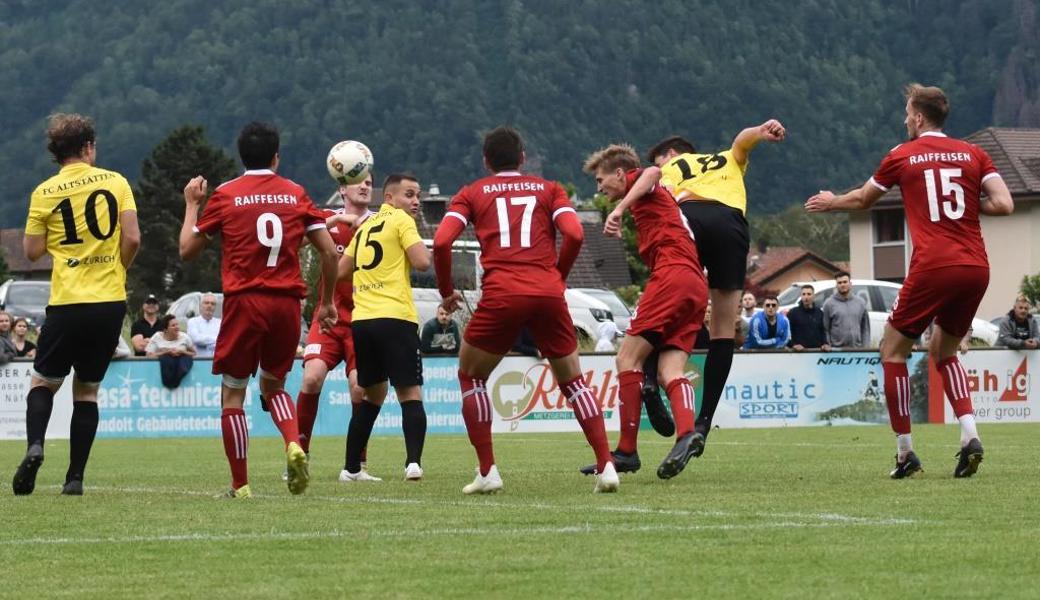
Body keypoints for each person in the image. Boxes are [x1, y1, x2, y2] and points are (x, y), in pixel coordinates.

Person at [806, 83, 1014, 478]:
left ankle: (906, 454)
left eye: (907, 113)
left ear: (919, 117)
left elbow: (864, 199)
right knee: (944, 352)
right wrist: (967, 207)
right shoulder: (975, 154)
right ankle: (970, 434)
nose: (905, 119)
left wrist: (831, 201)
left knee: (892, 350)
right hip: (974, 266)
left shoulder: (902, 156)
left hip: (933, 264)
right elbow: (1003, 204)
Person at [434, 126, 617, 494]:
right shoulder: (549, 189)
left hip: (502, 293)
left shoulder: (471, 193)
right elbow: (576, 234)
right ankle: (606, 465)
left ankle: (488, 472)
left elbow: (441, 242)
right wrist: (557, 277)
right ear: (522, 158)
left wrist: (447, 292)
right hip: (547, 292)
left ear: (486, 161)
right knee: (574, 381)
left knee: (472, 377)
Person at [179, 121, 339, 498]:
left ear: (241, 155)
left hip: (244, 302)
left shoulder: (227, 195)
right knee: (274, 385)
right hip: (287, 303)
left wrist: (191, 205)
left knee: (233, 393)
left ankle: (241, 485)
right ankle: (293, 443)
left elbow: (186, 250)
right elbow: (330, 252)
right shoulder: (295, 193)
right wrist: (327, 301)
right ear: (276, 157)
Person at [632, 121, 786, 452]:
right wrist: (761, 130)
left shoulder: (671, 166)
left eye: (657, 159)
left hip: (690, 217)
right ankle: (703, 423)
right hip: (731, 224)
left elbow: (657, 191)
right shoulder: (725, 159)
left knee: (665, 297)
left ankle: (647, 381)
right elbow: (741, 141)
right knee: (722, 331)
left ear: (670, 154)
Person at [12, 113, 140, 496]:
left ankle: (35, 445)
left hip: (67, 302)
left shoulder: (44, 192)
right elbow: (132, 237)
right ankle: (75, 478)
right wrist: (117, 266)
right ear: (87, 147)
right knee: (86, 391)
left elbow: (32, 252)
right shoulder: (116, 182)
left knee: (43, 383)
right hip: (108, 302)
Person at [583, 142, 708, 480]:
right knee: (672, 370)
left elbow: (653, 171)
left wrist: (620, 208)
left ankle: (626, 450)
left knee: (627, 359)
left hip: (672, 276)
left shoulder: (644, 182)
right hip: (694, 283)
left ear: (621, 174)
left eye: (600, 180)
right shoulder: (649, 202)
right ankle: (686, 434)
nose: (599, 188)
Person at [338, 173, 431, 483]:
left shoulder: (364, 228)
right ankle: (413, 463)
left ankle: (351, 468)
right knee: (409, 390)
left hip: (363, 321)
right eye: (408, 194)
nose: (415, 201)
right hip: (395, 317)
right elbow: (421, 262)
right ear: (389, 198)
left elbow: (340, 270)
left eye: (417, 194)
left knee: (372, 394)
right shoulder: (402, 222)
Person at [296, 174, 373, 480]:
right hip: (328, 315)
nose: (365, 186)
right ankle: (299, 458)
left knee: (359, 387)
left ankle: (356, 466)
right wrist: (329, 224)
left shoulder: (379, 222)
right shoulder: (326, 218)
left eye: (370, 181)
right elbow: (296, 242)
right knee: (312, 378)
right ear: (342, 189)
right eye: (358, 181)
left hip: (364, 317)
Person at [822, 272, 870, 349]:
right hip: (836, 350)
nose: (842, 285)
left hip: (857, 349)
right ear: (836, 285)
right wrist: (829, 345)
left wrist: (865, 348)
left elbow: (865, 329)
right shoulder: (829, 304)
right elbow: (825, 329)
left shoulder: (861, 302)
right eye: (839, 283)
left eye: (845, 282)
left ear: (850, 284)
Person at [146, 314, 196, 388]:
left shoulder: (185, 337)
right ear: (165, 329)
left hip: (181, 367)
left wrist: (182, 352)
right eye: (173, 325)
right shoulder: (157, 337)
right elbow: (149, 355)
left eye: (177, 325)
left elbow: (194, 353)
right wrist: (166, 352)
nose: (177, 327)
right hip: (163, 370)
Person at [787, 284, 830, 351]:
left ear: (813, 296)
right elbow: (787, 333)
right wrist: (793, 344)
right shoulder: (793, 313)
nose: (806, 297)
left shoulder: (819, 313)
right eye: (803, 294)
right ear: (801, 296)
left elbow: (822, 332)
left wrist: (825, 343)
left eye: (809, 294)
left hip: (816, 352)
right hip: (799, 353)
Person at [186, 293, 221, 358]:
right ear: (201, 305)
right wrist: (216, 339)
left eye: (212, 304)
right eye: (206, 303)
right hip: (199, 361)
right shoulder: (192, 321)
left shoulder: (220, 323)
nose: (209, 306)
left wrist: (205, 340)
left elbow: (224, 341)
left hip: (216, 361)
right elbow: (197, 339)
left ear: (215, 307)